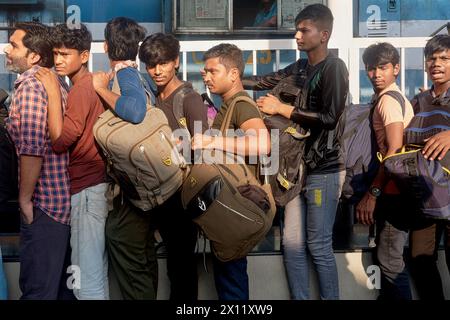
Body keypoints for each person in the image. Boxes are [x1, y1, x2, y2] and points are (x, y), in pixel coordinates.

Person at [243, 4, 348, 300]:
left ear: (323, 34)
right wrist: (232, 79)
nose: (297, 35)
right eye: (297, 29)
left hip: (324, 171)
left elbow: (329, 118)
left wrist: (282, 109)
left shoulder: (334, 68)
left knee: (318, 244)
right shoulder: (300, 68)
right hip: (295, 171)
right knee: (291, 243)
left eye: (304, 30)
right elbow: (265, 81)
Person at [34, 23, 109, 300]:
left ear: (85, 56)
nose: (58, 60)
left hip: (87, 192)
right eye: (56, 54)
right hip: (92, 190)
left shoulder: (80, 89)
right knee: (94, 276)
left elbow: (61, 141)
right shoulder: (89, 85)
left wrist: (53, 93)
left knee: (84, 283)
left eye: (65, 54)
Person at [194, 43, 271, 300]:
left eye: (213, 71)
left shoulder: (241, 105)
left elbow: (262, 144)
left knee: (232, 287)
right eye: (205, 72)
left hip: (236, 208)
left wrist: (212, 142)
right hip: (228, 208)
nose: (206, 77)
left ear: (234, 74)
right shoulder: (227, 105)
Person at [3, 22, 73, 300]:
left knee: (37, 291)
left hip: (44, 206)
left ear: (33, 56)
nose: (7, 50)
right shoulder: (53, 83)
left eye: (14, 45)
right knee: (58, 292)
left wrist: (24, 200)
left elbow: (32, 148)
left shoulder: (31, 85)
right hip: (57, 205)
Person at [138, 33, 208, 300]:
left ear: (176, 62)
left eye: (163, 63)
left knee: (182, 270)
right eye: (151, 64)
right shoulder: (152, 98)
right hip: (158, 198)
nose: (157, 70)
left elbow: (203, 152)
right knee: (171, 268)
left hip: (184, 198)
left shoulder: (189, 100)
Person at [91, 17, 157, 300]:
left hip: (134, 186)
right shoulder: (141, 76)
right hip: (148, 179)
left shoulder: (125, 75)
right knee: (143, 252)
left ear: (106, 46)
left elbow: (134, 111)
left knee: (121, 238)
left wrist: (100, 89)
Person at [356, 42, 415, 300]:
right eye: (371, 68)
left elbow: (394, 150)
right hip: (398, 189)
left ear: (396, 69)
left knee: (390, 260)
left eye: (383, 67)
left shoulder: (388, 101)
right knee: (388, 257)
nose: (376, 74)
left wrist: (373, 193)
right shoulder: (391, 98)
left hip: (394, 191)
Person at [408, 34, 450, 300]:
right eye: (432, 59)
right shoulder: (419, 101)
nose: (437, 63)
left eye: (444, 58)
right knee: (419, 256)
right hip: (425, 192)